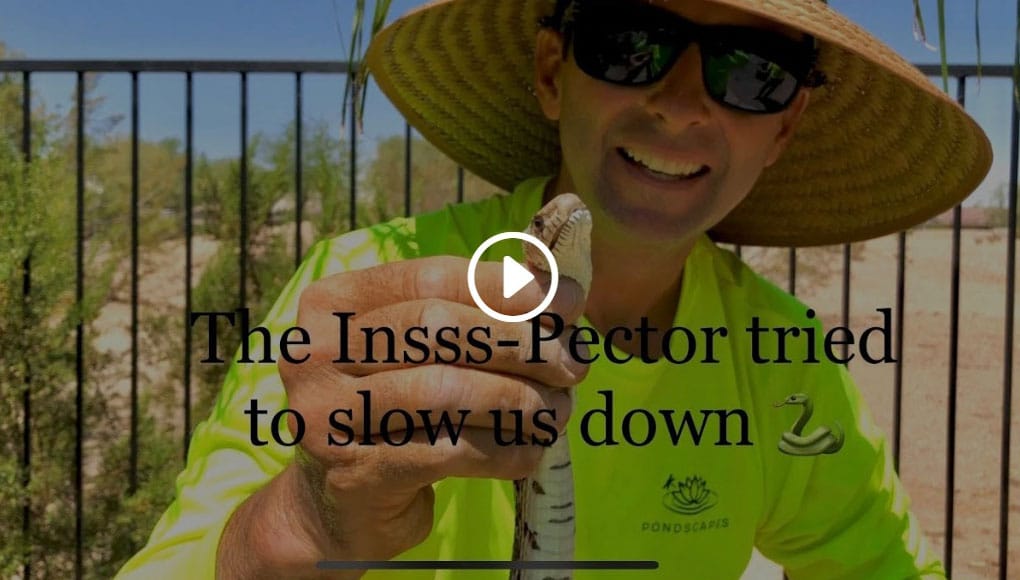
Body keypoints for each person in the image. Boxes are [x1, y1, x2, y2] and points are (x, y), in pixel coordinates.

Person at [116, 0, 992, 578]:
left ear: (786, 127)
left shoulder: (783, 358)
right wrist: (303, 519)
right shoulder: (362, 293)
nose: (682, 103)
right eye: (629, 41)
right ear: (550, 73)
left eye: (753, 70)